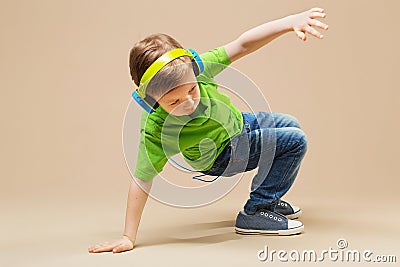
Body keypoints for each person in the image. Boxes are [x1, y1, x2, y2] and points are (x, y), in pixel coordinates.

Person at [88, 7, 328, 254]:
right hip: (222, 155)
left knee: (291, 124)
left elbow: (243, 44)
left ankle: (269, 198)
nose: (189, 103)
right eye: (174, 102)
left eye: (192, 90)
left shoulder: (198, 68)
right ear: (152, 100)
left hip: (240, 124)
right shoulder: (157, 129)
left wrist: (289, 22)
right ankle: (256, 210)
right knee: (295, 141)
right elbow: (141, 179)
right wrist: (128, 236)